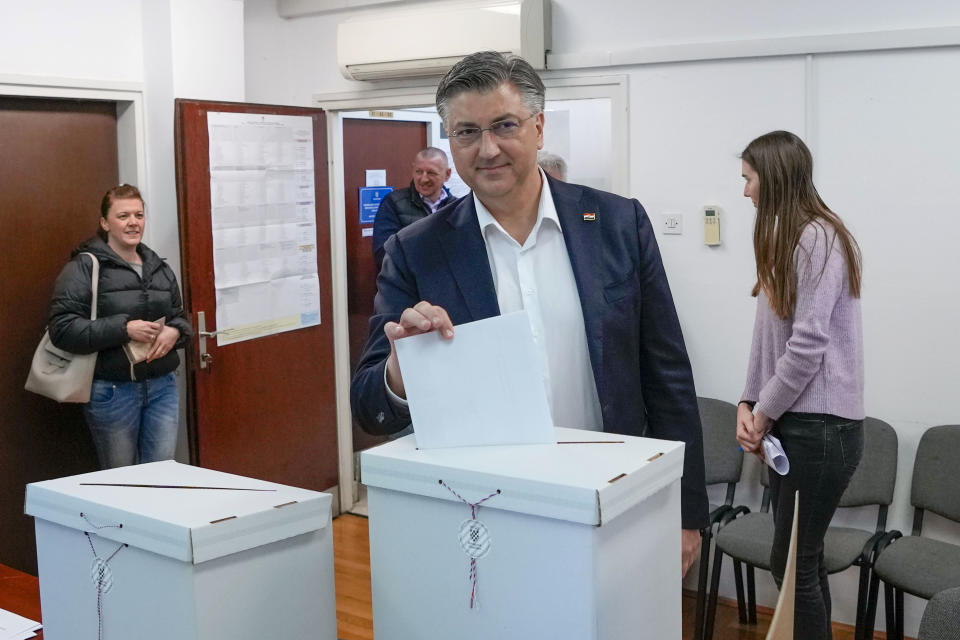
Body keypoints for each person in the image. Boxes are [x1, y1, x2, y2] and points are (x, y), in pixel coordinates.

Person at [351, 51, 709, 576]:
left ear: (538, 127)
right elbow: (369, 406)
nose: (488, 148)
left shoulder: (616, 224)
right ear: (451, 142)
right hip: (486, 519)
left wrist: (685, 509)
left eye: (504, 125)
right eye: (467, 132)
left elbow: (668, 376)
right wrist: (400, 374)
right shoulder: (416, 250)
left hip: (615, 502)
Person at [735, 131, 864, 640]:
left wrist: (763, 412)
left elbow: (809, 345)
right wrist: (748, 402)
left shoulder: (818, 237)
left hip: (821, 429)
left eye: (748, 178)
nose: (744, 191)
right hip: (797, 426)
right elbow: (770, 338)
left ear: (774, 176)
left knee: (795, 567)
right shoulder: (788, 240)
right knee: (795, 564)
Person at [48, 184, 194, 469]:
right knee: (121, 481)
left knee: (163, 476)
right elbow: (62, 329)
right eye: (123, 216)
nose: (133, 223)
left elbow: (180, 317)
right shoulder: (86, 266)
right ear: (105, 222)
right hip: (113, 391)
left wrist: (175, 331)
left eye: (139, 215)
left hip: (162, 387)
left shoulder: (159, 267)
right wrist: (124, 329)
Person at [371, 147, 454, 271]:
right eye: (419, 172)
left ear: (447, 175)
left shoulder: (457, 207)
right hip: (407, 288)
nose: (423, 179)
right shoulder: (394, 203)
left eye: (431, 173)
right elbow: (383, 255)